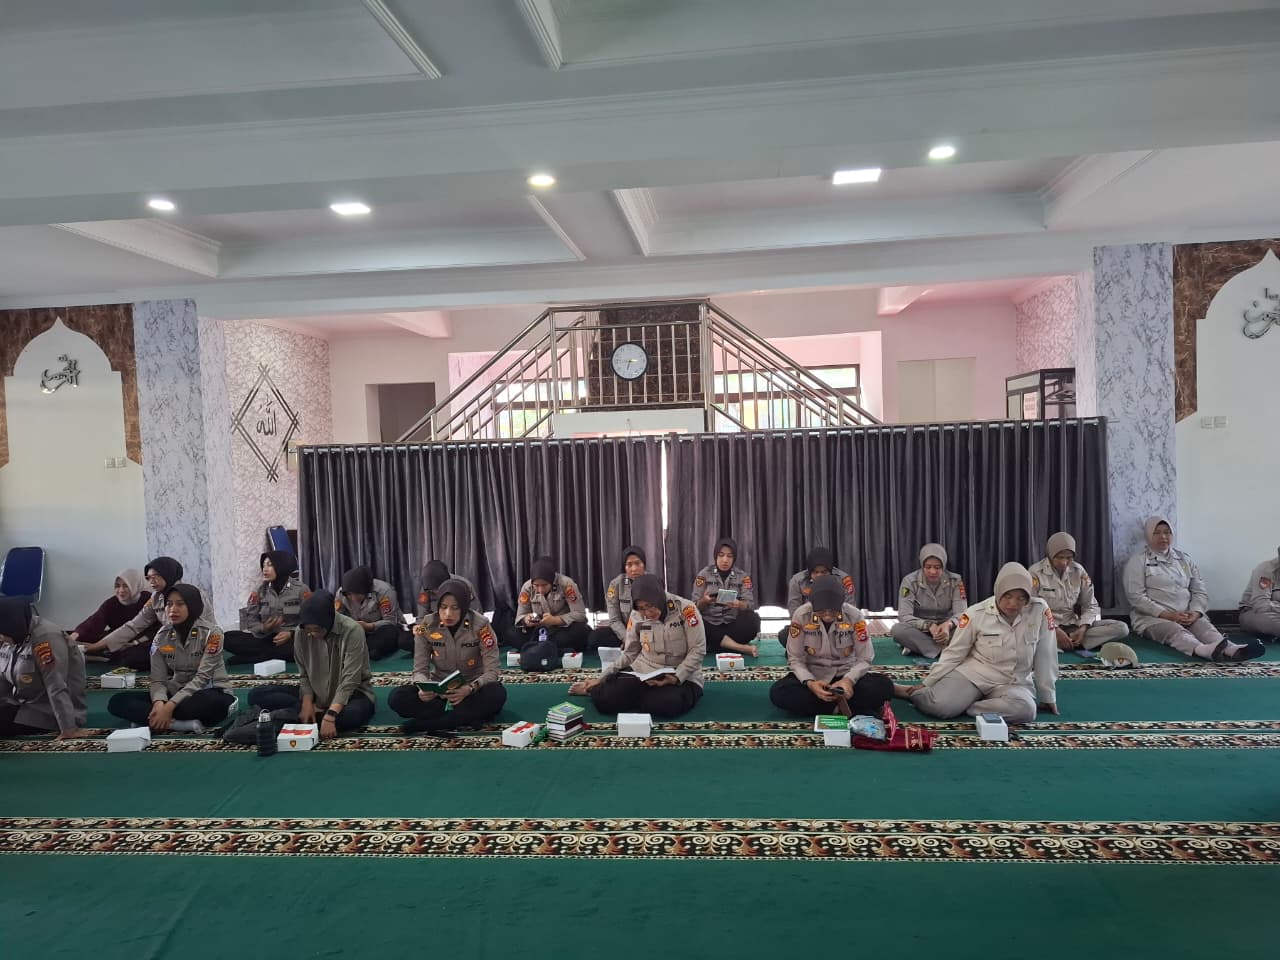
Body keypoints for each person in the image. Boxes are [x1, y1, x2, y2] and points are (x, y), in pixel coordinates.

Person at [900, 562, 1058, 723]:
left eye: (1021, 598)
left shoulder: (1039, 610)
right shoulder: (975, 613)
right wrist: (928, 682)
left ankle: (969, 707)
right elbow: (954, 653)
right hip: (975, 676)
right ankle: (912, 693)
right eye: (1007, 596)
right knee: (939, 706)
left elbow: (1046, 653)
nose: (1013, 604)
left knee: (1026, 710)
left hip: (1013, 683)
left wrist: (1048, 695)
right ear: (998, 591)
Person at [228, 590, 375, 741]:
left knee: (352, 716)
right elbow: (304, 674)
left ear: (328, 621)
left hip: (351, 696)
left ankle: (287, 718)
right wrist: (307, 703)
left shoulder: (352, 631)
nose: (312, 634)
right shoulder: (301, 632)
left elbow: (350, 680)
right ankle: (304, 715)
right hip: (316, 693)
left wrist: (331, 715)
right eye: (308, 630)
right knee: (257, 694)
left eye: (317, 630)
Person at [1123, 517, 1261, 662]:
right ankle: (1203, 650)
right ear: (1148, 535)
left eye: (1167, 532)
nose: (1163, 537)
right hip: (1153, 619)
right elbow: (1136, 597)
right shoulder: (1138, 561)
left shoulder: (1184, 559)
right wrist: (1167, 615)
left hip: (1187, 615)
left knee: (1206, 629)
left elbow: (1199, 590)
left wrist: (1195, 612)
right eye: (1157, 533)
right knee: (1175, 632)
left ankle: (1233, 650)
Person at [569, 573, 705, 718]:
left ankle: (635, 697)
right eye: (641, 608)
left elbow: (698, 649)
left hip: (681, 674)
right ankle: (631, 695)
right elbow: (630, 653)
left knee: (670, 703)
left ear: (659, 597)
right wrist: (601, 678)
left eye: (650, 606)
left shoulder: (686, 610)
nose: (647, 612)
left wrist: (677, 677)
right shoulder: (636, 615)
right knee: (605, 698)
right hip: (646, 671)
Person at [106, 584, 235, 733]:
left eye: (180, 604)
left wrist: (169, 706)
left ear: (193, 606)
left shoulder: (212, 634)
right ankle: (176, 724)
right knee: (118, 701)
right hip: (176, 691)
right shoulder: (162, 636)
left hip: (210, 691)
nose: (173, 609)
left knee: (206, 704)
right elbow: (157, 680)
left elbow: (202, 678)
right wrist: (159, 703)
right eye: (169, 604)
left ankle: (149, 719)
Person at [389, 578, 505, 734]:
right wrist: (423, 687)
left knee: (496, 693)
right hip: (438, 692)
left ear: (464, 607)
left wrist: (470, 688)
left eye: (455, 608)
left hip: (470, 690)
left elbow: (492, 671)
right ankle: (465, 718)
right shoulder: (426, 626)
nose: (448, 614)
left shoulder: (481, 625)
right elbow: (420, 669)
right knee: (397, 697)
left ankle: (428, 724)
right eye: (443, 607)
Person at [769, 575, 892, 718]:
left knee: (884, 686)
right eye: (821, 610)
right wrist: (810, 683)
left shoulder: (854, 616)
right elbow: (795, 658)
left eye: (833, 610)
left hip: (845, 673)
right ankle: (844, 707)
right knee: (779, 692)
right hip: (814, 675)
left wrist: (848, 681)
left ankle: (827, 707)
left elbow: (865, 658)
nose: (827, 615)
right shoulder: (801, 615)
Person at [0, 598, 87, 739]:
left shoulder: (46, 638)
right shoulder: (14, 634)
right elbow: (2, 680)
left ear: (11, 625)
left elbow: (56, 684)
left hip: (47, 712)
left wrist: (68, 728)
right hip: (22, 704)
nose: (1, 638)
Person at [1029, 531, 1129, 651]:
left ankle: (1069, 640)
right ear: (1050, 555)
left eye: (1069, 558)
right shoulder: (1035, 573)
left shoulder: (1078, 571)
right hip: (1045, 626)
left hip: (1072, 624)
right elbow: (1031, 609)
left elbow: (1091, 605)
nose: (1064, 562)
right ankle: (1065, 642)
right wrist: (1055, 629)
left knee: (1121, 628)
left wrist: (1083, 628)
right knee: (1029, 630)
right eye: (1059, 557)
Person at [94, 556, 187, 668]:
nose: (151, 581)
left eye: (155, 576)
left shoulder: (189, 594)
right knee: (129, 657)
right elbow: (135, 625)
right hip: (168, 644)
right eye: (148, 577)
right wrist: (97, 646)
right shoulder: (156, 597)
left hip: (190, 645)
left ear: (168, 574)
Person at [224, 551, 312, 664]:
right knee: (227, 637)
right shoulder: (259, 591)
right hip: (267, 639)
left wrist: (291, 633)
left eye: (270, 565)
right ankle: (266, 656)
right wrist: (264, 627)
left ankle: (253, 658)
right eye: (263, 565)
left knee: (301, 647)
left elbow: (310, 619)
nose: (265, 569)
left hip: (292, 639)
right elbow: (250, 621)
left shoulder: (302, 589)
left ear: (282, 566)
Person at [890, 544, 967, 660]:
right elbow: (904, 615)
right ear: (922, 565)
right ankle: (944, 650)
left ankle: (919, 647)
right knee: (897, 630)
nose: (932, 571)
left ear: (943, 566)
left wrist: (948, 624)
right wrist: (927, 625)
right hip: (920, 629)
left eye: (937, 567)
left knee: (969, 627)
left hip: (947, 629)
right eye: (928, 567)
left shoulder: (955, 581)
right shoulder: (910, 581)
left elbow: (962, 613)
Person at [505, 556, 590, 659]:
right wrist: (526, 620)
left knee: (581, 631)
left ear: (552, 581)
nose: (540, 590)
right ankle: (551, 649)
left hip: (561, 630)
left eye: (544, 585)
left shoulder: (567, 584)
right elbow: (520, 616)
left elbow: (580, 614)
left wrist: (555, 620)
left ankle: (536, 648)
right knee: (510, 633)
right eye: (536, 585)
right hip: (538, 631)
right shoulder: (527, 587)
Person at [70, 568, 155, 670]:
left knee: (132, 657)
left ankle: (104, 654)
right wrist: (75, 635)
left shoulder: (149, 600)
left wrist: (136, 642)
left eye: (126, 586)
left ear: (135, 585)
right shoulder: (112, 602)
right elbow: (94, 620)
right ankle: (104, 653)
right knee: (82, 639)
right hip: (118, 638)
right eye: (117, 586)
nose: (121, 590)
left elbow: (156, 630)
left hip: (143, 641)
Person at [691, 537, 760, 657]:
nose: (725, 560)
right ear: (715, 556)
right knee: (694, 621)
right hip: (710, 624)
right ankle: (739, 648)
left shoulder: (742, 576)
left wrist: (739, 604)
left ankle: (715, 646)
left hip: (731, 624)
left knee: (754, 619)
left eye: (729, 556)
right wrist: (704, 601)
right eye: (721, 555)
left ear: (734, 558)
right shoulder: (704, 575)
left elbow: (749, 604)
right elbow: (694, 606)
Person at [775, 547, 856, 643]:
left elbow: (850, 608)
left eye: (824, 572)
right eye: (816, 572)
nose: (819, 575)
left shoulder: (844, 580)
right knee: (786, 635)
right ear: (809, 571)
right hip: (809, 624)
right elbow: (794, 610)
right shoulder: (797, 581)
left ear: (831, 571)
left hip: (837, 624)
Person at [403, 561, 483, 653]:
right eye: (433, 590)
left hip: (460, 627)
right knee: (405, 640)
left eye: (437, 589)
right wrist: (420, 629)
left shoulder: (464, 586)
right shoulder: (427, 588)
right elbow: (422, 616)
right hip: (435, 627)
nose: (435, 592)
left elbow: (476, 615)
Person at [334, 565, 405, 660]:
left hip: (382, 629)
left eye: (355, 594)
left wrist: (369, 626)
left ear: (365, 591)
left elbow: (391, 621)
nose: (351, 598)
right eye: (348, 594)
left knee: (386, 637)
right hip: (357, 631)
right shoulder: (341, 594)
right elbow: (337, 617)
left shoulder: (384, 591)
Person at [588, 545, 647, 652]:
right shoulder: (616, 584)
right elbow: (614, 619)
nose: (634, 569)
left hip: (647, 630)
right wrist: (627, 639)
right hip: (624, 631)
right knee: (594, 638)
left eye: (637, 563)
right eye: (629, 565)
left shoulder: (653, 582)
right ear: (624, 567)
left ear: (644, 565)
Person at [1238, 547, 1280, 641]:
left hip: (1276, 612)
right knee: (1275, 623)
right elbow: (1261, 605)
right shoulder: (1266, 569)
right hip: (1253, 612)